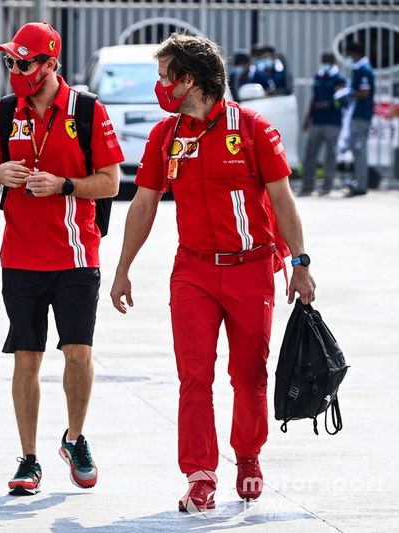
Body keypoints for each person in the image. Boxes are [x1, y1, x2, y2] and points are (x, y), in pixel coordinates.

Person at [110, 33, 315, 512]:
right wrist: (122, 268)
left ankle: (248, 457)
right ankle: (199, 474)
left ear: (190, 80)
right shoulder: (166, 136)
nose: (160, 87)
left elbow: (282, 200)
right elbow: (143, 204)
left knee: (248, 375)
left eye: (165, 77)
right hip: (193, 271)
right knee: (194, 377)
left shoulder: (253, 129)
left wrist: (300, 262)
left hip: (251, 268)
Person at [0, 21, 123, 496]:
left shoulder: (87, 110)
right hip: (20, 256)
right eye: (10, 62)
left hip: (76, 255)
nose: (15, 70)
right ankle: (29, 458)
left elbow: (111, 182)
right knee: (27, 357)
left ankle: (75, 439)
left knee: (78, 353)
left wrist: (64, 185)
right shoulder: (5, 111)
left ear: (50, 63)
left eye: (24, 62)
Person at [299, 52, 347, 196]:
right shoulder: (318, 77)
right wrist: (307, 119)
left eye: (327, 61)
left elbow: (342, 101)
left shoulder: (339, 79)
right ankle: (308, 185)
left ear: (332, 62)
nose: (324, 64)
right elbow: (313, 99)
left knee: (330, 156)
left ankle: (327, 185)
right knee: (310, 154)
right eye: (323, 61)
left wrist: (328, 104)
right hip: (317, 122)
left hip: (333, 122)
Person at [343, 41, 375, 197]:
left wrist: (348, 93)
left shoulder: (364, 70)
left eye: (350, 55)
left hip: (361, 116)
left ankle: (361, 185)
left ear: (355, 54)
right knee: (357, 150)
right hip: (359, 115)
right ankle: (359, 182)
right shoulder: (361, 69)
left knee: (359, 150)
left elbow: (364, 93)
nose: (350, 58)